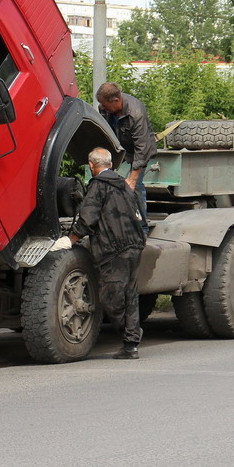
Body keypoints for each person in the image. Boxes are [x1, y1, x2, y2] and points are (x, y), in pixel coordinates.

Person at [69, 147, 146, 360]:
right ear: (110, 164)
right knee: (130, 296)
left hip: (114, 250)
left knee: (110, 298)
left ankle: (132, 335)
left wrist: (69, 241)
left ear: (91, 165)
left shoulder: (98, 186)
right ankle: (131, 346)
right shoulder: (124, 185)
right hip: (135, 245)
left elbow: (87, 218)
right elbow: (138, 213)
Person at [95, 82, 157, 232]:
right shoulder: (104, 108)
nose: (102, 108)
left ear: (116, 100)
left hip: (139, 150)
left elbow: (142, 149)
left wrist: (132, 179)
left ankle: (142, 229)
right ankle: (112, 225)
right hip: (119, 148)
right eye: (101, 105)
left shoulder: (136, 113)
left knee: (135, 189)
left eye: (104, 104)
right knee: (106, 183)